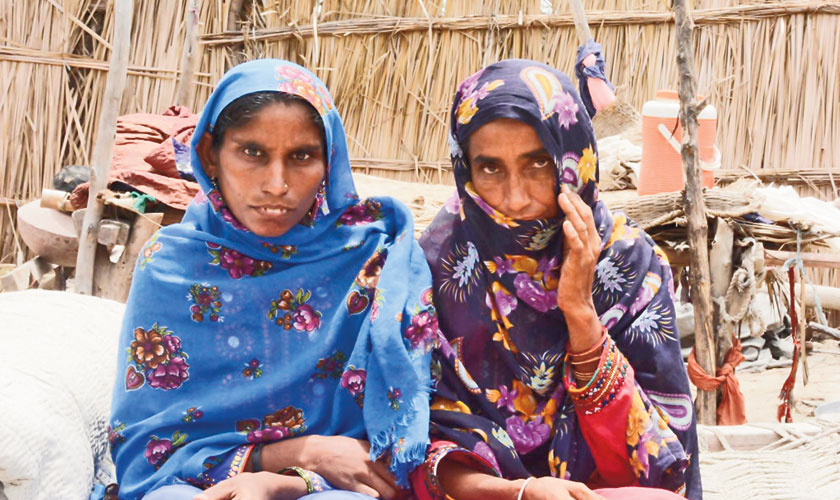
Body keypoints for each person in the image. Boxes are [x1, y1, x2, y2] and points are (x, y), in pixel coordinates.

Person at [103, 59, 436, 500]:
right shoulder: (174, 265)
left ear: (329, 160)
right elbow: (147, 454)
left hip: (337, 484)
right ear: (209, 155)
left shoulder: (373, 256)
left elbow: (392, 446)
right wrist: (295, 455)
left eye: (302, 156)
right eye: (252, 153)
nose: (277, 184)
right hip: (201, 480)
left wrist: (299, 479)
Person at [415, 59, 702, 500]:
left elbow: (662, 462)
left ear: (575, 160)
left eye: (538, 165)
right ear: (464, 168)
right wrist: (521, 492)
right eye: (490, 168)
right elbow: (417, 447)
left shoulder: (629, 263)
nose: (515, 198)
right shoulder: (441, 265)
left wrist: (581, 313)